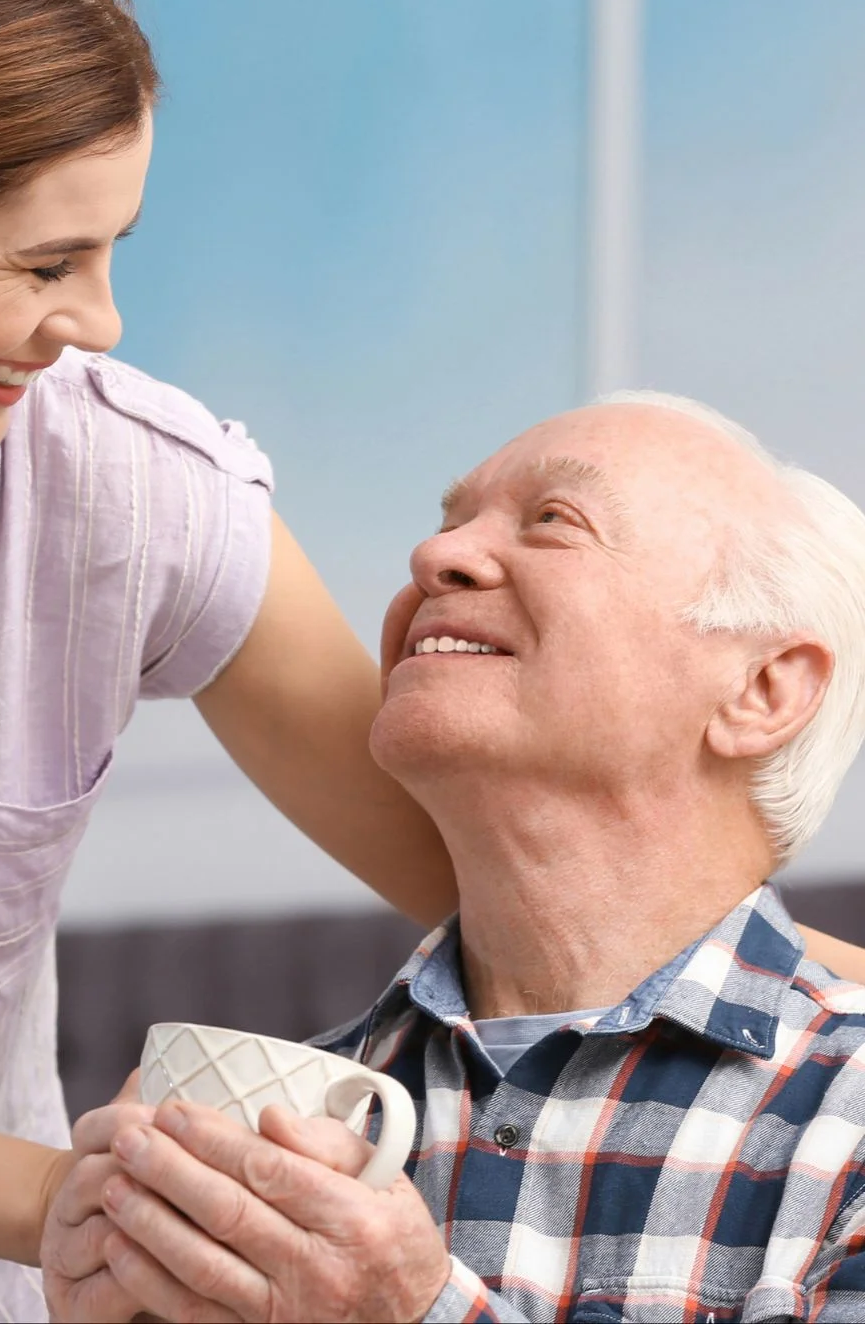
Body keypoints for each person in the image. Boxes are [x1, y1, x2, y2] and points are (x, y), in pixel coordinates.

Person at [0, 0, 458, 1324]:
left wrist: (802, 976)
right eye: (43, 264)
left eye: (113, 248)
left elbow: (487, 865)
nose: (99, 322)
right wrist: (90, 1209)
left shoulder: (121, 487)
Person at [45, 392, 865, 1324]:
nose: (434, 557)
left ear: (761, 689)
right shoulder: (281, 1131)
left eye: (555, 521)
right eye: (448, 523)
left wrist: (409, 1313)